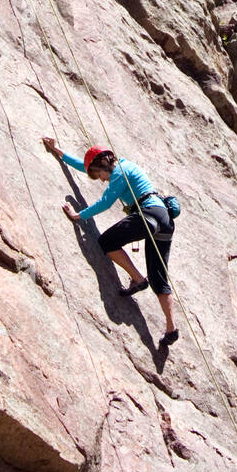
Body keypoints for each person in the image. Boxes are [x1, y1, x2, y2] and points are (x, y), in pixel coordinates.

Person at [42, 136, 178, 345]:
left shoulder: (119, 172)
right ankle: (171, 329)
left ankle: (139, 279)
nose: (102, 180)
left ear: (104, 164)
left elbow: (106, 202)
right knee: (159, 277)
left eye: (100, 176)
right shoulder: (125, 168)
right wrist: (58, 150)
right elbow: (83, 164)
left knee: (107, 241)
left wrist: (79, 216)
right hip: (164, 219)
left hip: (148, 214)